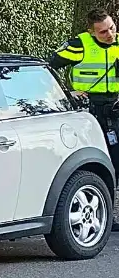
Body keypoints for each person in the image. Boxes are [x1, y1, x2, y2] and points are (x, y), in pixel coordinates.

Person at [50, 9, 119, 165]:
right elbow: (48, 67)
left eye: (112, 28)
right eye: (103, 32)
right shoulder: (79, 45)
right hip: (88, 107)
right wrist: (65, 93)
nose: (110, 34)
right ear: (91, 32)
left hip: (114, 106)